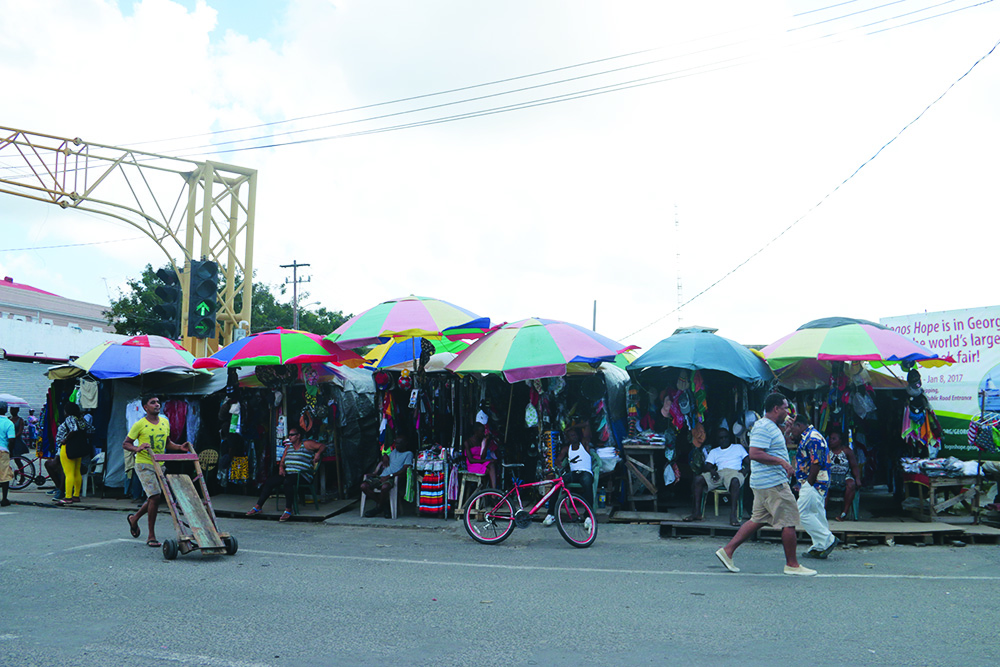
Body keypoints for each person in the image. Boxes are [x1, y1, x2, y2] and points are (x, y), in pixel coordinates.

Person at [714, 393, 816, 576]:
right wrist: (783, 463)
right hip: (772, 483)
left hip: (765, 483)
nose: (788, 411)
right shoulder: (763, 427)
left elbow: (776, 447)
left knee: (757, 519)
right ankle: (792, 565)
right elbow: (755, 453)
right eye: (785, 407)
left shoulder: (772, 426)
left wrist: (786, 432)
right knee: (789, 520)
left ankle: (727, 551)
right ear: (776, 408)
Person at [123, 396, 192, 548]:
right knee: (155, 496)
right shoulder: (140, 424)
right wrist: (137, 448)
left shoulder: (165, 421)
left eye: (158, 402)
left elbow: (168, 443)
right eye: (152, 402)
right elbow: (126, 443)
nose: (157, 405)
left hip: (160, 464)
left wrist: (180, 447)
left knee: (153, 497)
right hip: (144, 464)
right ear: (145, 407)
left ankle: (134, 519)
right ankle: (151, 535)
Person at [245, 427, 325, 521]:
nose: (290, 437)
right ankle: (258, 506)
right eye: (289, 435)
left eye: (292, 435)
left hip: (302, 475)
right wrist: (281, 468)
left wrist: (318, 453)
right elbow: (282, 461)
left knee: (288, 482)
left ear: (298, 436)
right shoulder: (288, 447)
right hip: (289, 473)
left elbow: (322, 446)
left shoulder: (307, 444)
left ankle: (288, 509)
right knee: (270, 481)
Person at [788, 416, 837, 559]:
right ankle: (819, 546)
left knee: (803, 514)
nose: (791, 430)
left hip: (814, 483)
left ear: (799, 425)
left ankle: (828, 539)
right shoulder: (810, 436)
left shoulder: (813, 438)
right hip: (815, 482)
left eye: (792, 427)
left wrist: (808, 484)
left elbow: (816, 463)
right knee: (816, 513)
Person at [685, 427, 749, 526]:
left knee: (735, 481)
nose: (724, 440)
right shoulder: (714, 451)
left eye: (726, 437)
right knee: (698, 479)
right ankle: (696, 513)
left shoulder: (738, 448)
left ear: (729, 437)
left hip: (734, 472)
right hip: (719, 473)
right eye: (721, 438)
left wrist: (745, 471)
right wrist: (712, 471)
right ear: (717, 440)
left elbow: (750, 462)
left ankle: (733, 515)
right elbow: (706, 466)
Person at [543, 425, 595, 531]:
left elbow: (586, 430)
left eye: (575, 435)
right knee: (556, 484)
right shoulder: (567, 448)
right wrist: (560, 467)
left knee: (587, 484)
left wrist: (573, 427)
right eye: (571, 436)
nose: (574, 437)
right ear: (568, 438)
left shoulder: (584, 444)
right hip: (574, 474)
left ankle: (588, 516)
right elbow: (558, 460)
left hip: (585, 472)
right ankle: (551, 514)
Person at [360, 434, 414, 518]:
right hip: (381, 476)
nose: (396, 445)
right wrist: (384, 456)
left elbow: (405, 470)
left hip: (393, 478)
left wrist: (390, 476)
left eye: (399, 443)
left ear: (405, 444)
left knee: (385, 487)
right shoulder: (394, 451)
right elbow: (385, 454)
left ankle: (379, 508)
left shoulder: (408, 454)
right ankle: (384, 506)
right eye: (396, 443)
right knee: (364, 486)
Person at [55, 404, 95, 506]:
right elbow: (91, 429)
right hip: (78, 448)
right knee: (77, 472)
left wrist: (66, 439)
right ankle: (76, 495)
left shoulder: (70, 418)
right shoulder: (81, 419)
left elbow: (74, 429)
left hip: (68, 447)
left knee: (68, 473)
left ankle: (68, 497)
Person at [827, 430, 862, 520]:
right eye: (830, 438)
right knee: (823, 485)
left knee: (851, 484)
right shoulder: (826, 450)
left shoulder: (847, 451)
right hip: (830, 476)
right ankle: (823, 511)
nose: (831, 440)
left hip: (844, 476)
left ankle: (844, 513)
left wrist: (857, 478)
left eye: (834, 439)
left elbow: (854, 466)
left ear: (840, 441)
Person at [463, 421, 497, 488]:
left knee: (492, 465)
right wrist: (488, 460)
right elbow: (471, 460)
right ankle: (487, 491)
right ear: (476, 432)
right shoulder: (467, 442)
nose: (483, 434)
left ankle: (494, 491)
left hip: (480, 461)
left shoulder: (480, 441)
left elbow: (482, 457)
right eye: (481, 432)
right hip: (472, 464)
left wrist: (486, 444)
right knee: (487, 470)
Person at [0, 401, 14, 506]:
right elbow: (12, 439)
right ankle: (4, 499)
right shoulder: (9, 423)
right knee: (4, 475)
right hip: (3, 451)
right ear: (6, 410)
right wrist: (11, 451)